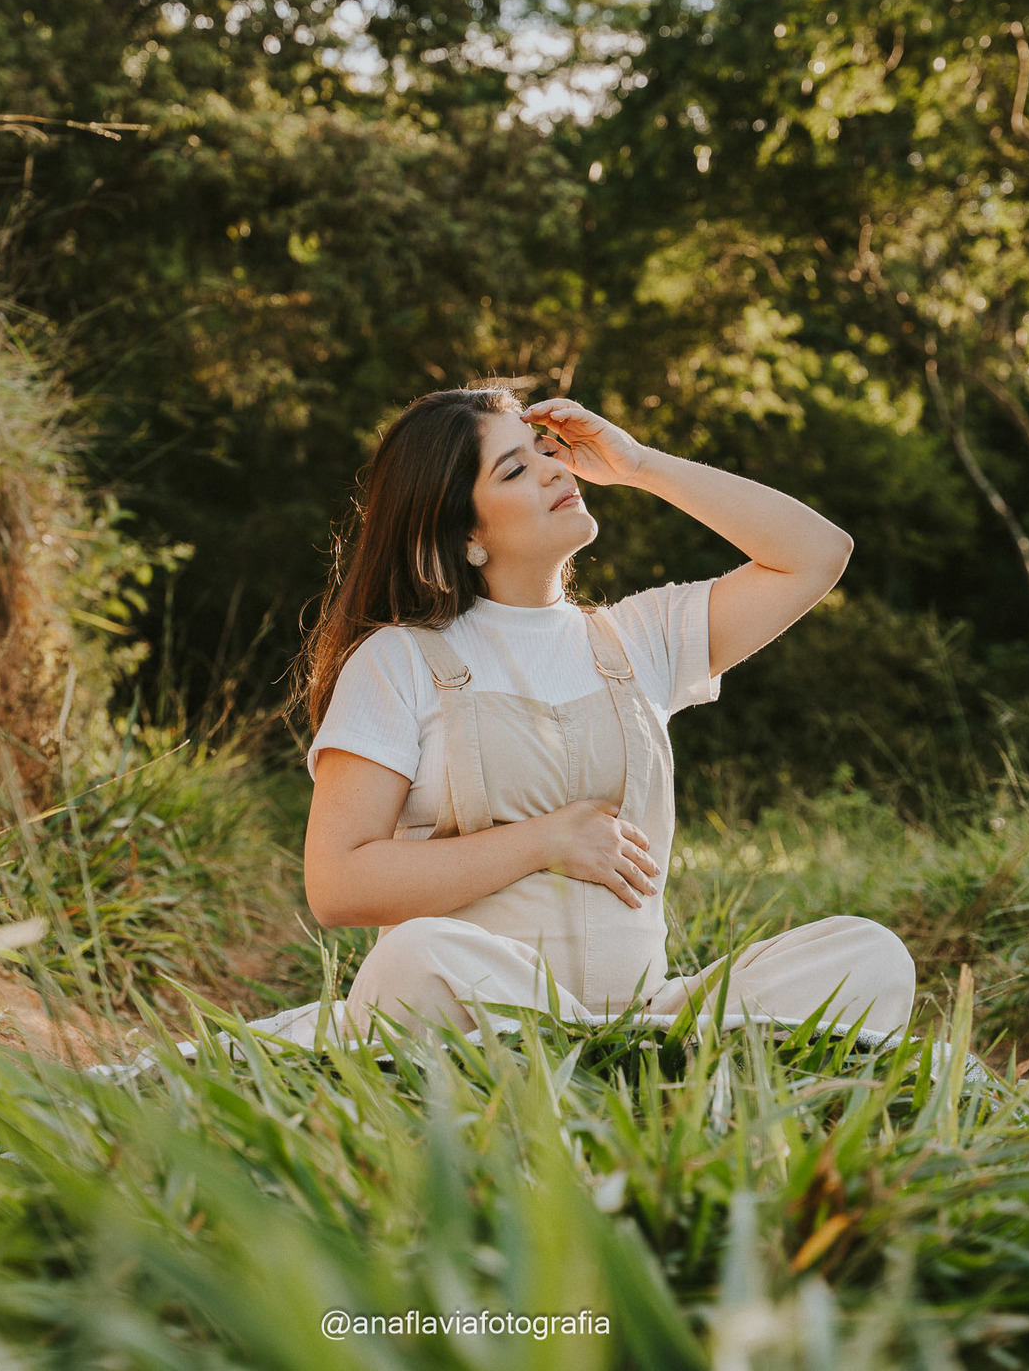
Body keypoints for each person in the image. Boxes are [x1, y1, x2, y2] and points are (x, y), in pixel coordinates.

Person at [295, 385, 915, 1050]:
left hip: (644, 1022)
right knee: (417, 957)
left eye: (546, 450)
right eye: (515, 469)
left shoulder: (641, 638)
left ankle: (638, 1065)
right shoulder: (400, 659)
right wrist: (545, 842)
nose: (553, 469)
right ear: (465, 533)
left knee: (869, 956)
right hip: (489, 1006)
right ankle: (631, 1077)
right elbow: (337, 884)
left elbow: (817, 554)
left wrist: (640, 464)